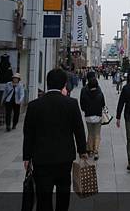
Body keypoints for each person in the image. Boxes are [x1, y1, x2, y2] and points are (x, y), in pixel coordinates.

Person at [23, 68, 87, 211]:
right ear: (64, 84)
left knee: (43, 195)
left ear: (47, 83)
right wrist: (82, 150)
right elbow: (79, 130)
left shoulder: (34, 105)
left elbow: (28, 133)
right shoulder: (71, 104)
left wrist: (27, 156)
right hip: (64, 157)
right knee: (63, 192)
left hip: (41, 158)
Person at [79, 77, 105, 160]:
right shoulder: (100, 93)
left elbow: (82, 105)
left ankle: (90, 151)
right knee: (97, 134)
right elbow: (103, 104)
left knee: (90, 133)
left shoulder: (85, 93)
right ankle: (96, 151)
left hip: (88, 116)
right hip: (98, 115)